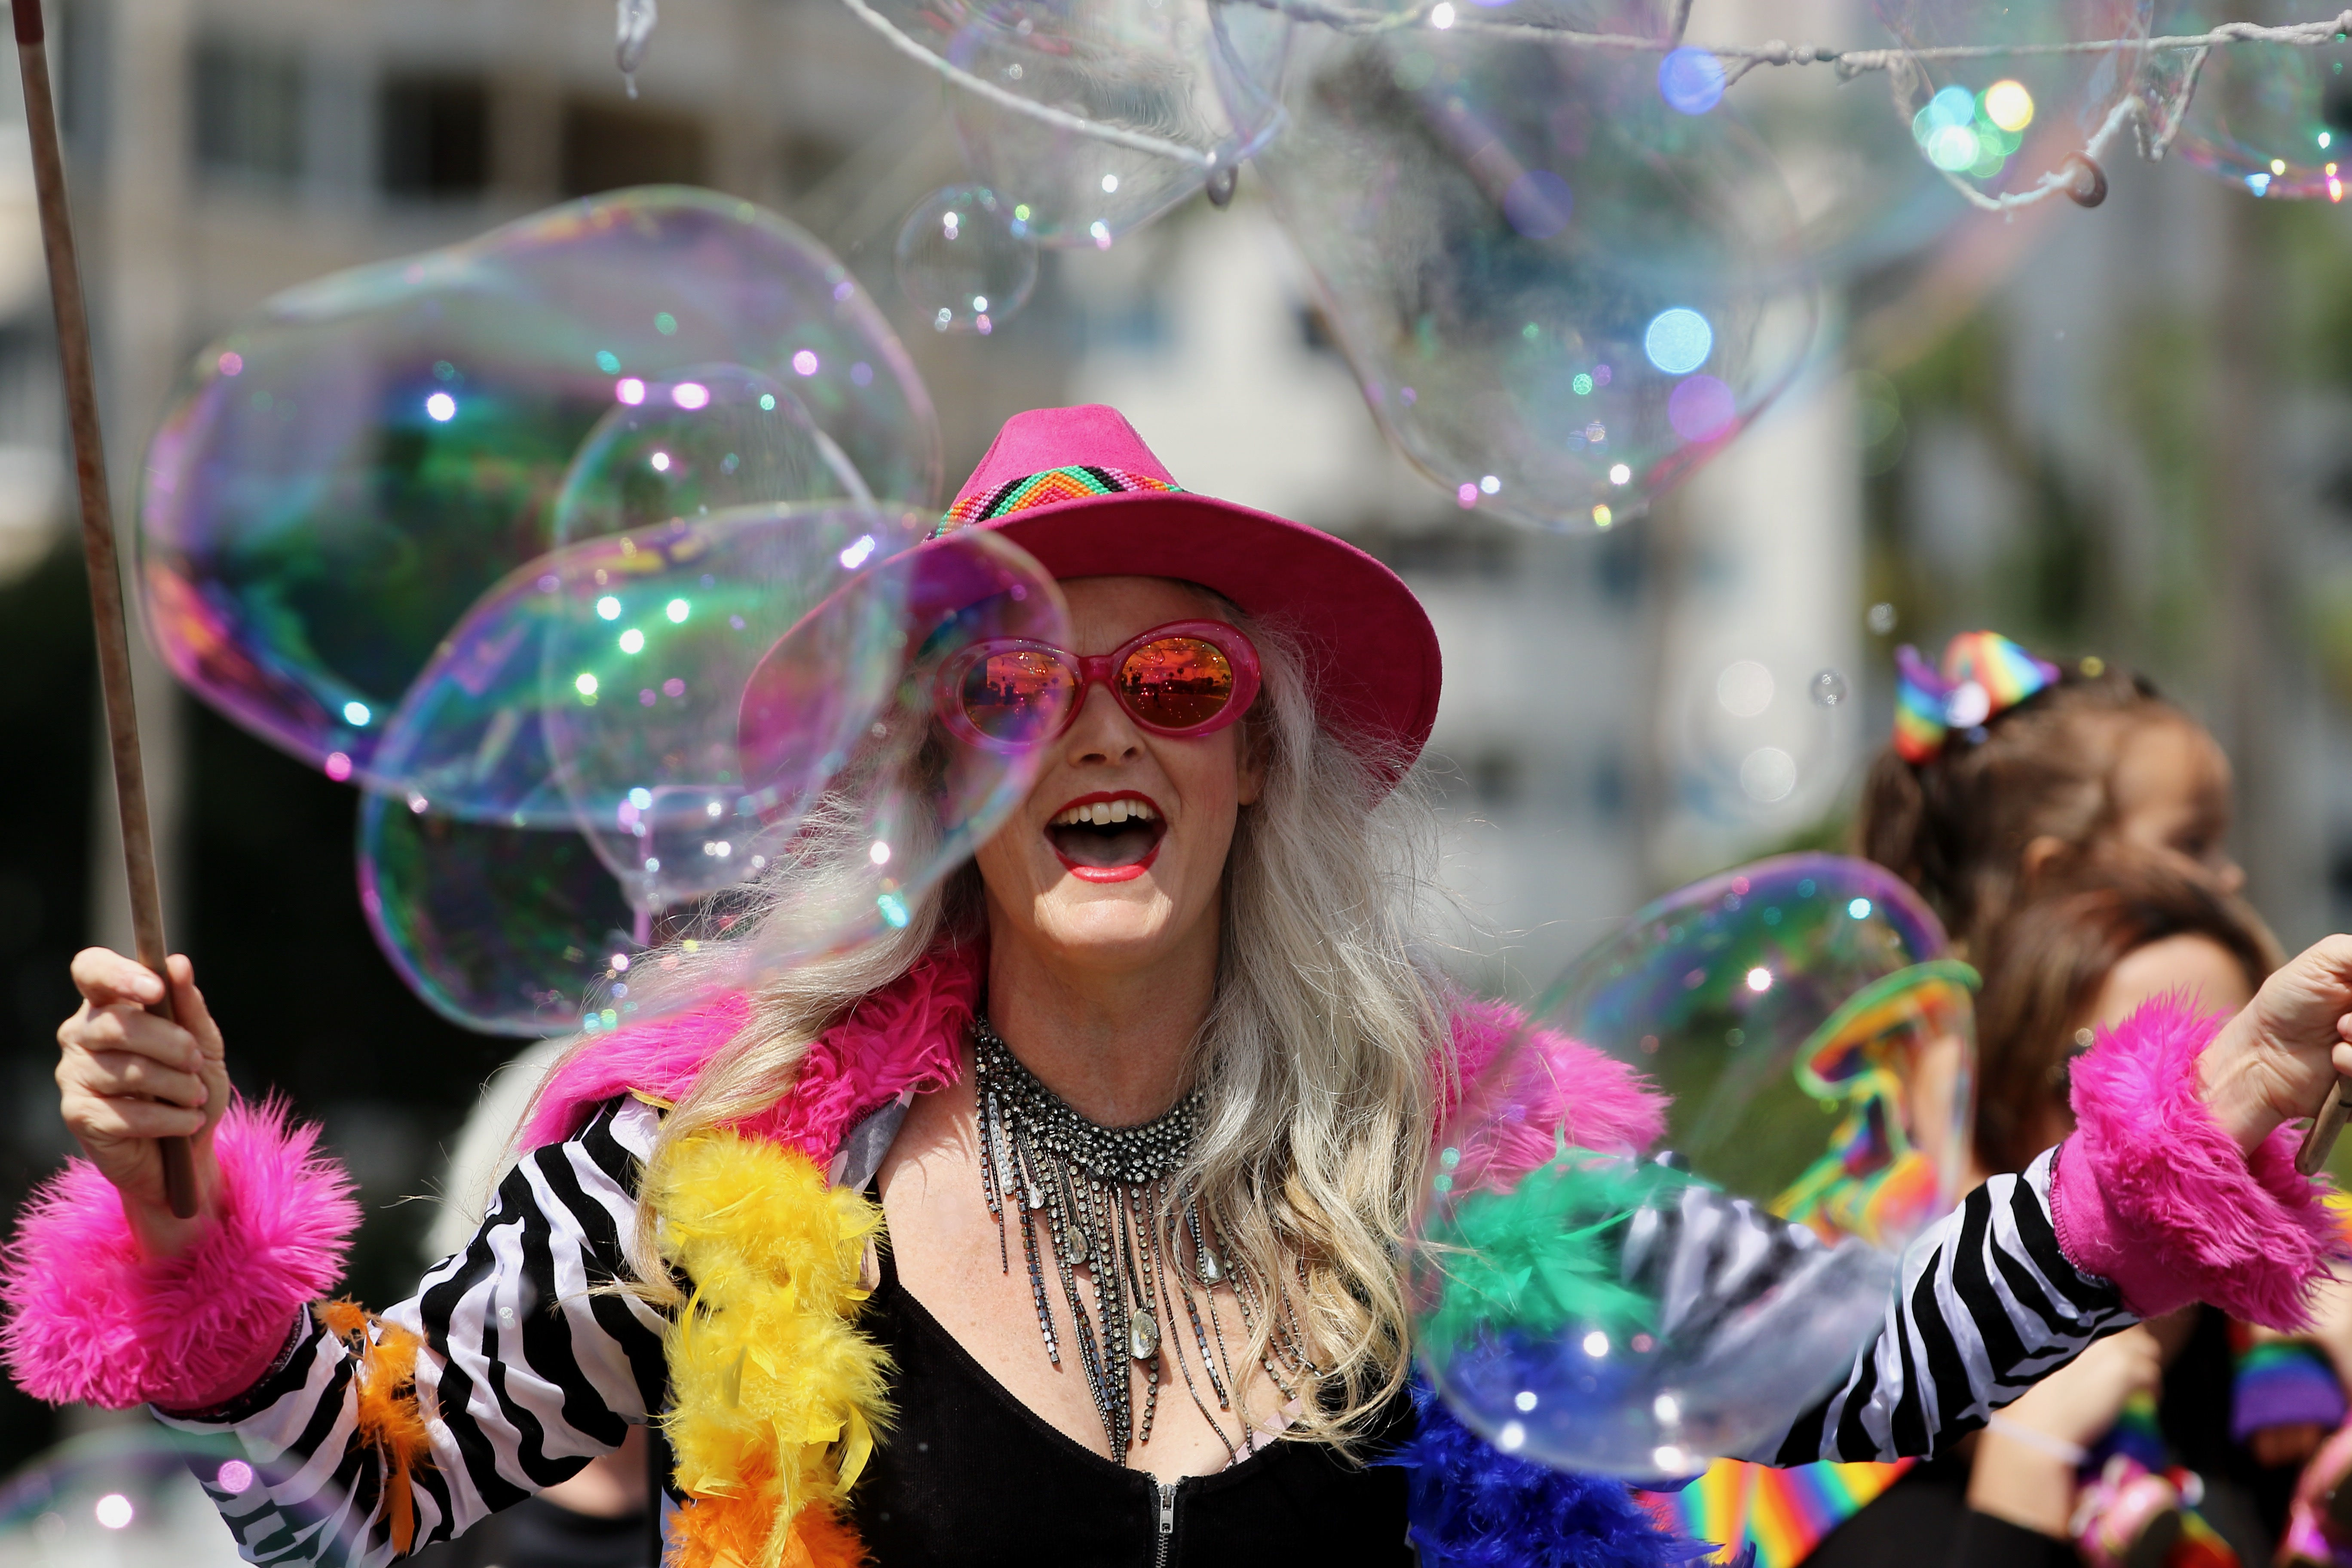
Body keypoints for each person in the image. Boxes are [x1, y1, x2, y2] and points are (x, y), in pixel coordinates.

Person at [9, 407, 2352, 1568]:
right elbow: (363, 1504)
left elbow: (1863, 1348)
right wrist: (193, 1246)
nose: (1100, 725)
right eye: (1011, 682)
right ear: (939, 775)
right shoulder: (718, 1168)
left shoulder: (1468, 1182)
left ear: (1259, 768)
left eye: (1170, 675)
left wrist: (2178, 1151)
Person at [1857, 631, 2242, 961]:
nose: (2232, 876)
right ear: (2058, 877)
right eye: (2192, 843)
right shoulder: (2181, 981)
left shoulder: (1950, 1038)